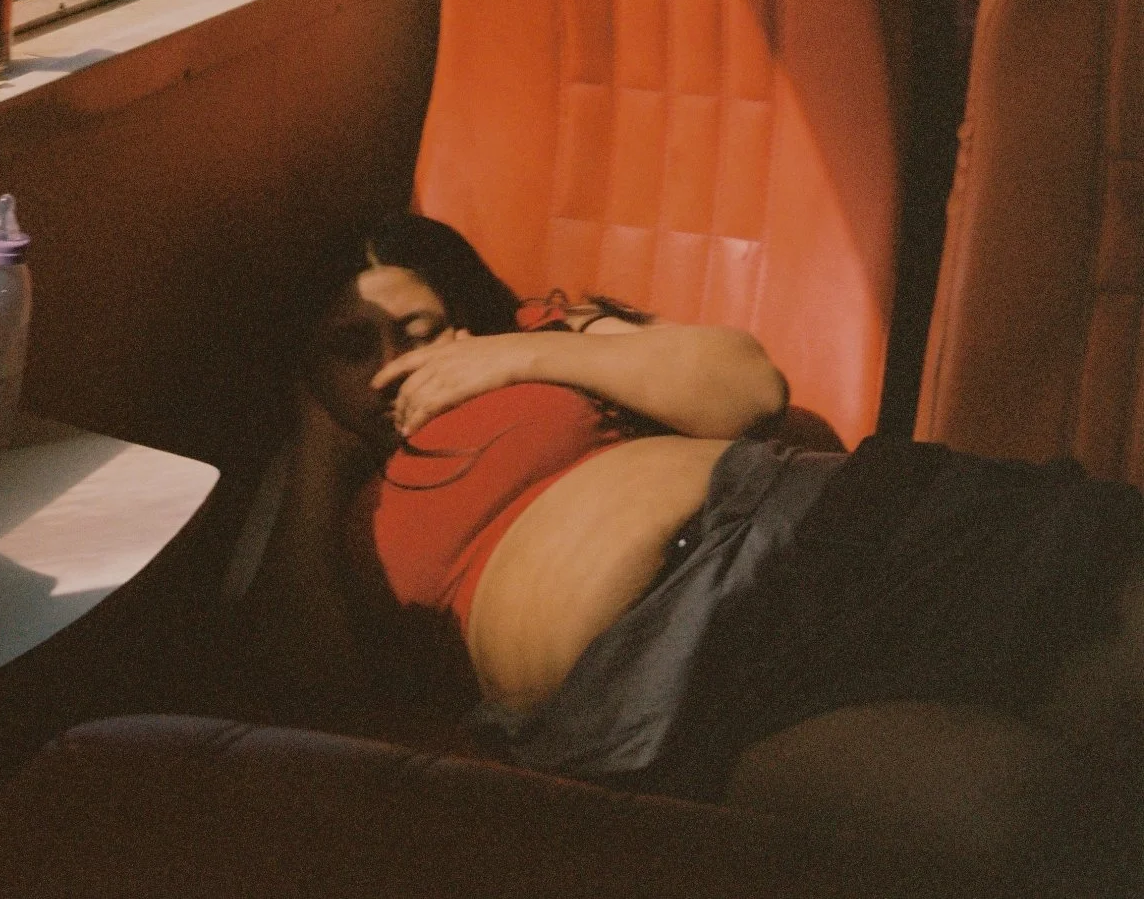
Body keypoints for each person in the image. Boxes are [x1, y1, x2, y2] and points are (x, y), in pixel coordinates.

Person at [252, 212, 1144, 898]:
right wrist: (316, 444)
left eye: (417, 328)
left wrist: (515, 350)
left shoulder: (536, 338)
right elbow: (307, 678)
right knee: (1022, 814)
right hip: (662, 683)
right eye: (349, 347)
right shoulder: (329, 498)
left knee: (1123, 654)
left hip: (816, 527)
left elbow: (750, 388)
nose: (387, 364)